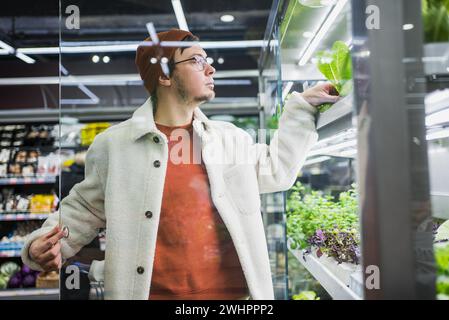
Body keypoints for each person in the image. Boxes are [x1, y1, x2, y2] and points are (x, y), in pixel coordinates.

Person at [21, 29, 339, 300]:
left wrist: (302, 107)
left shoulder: (230, 140)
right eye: (197, 60)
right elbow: (83, 208)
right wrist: (39, 247)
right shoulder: (115, 145)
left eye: (207, 60)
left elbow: (278, 169)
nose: (210, 68)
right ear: (163, 74)